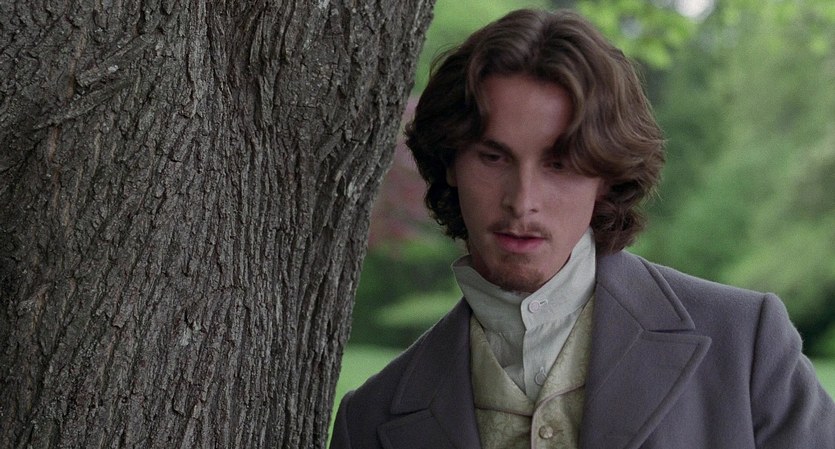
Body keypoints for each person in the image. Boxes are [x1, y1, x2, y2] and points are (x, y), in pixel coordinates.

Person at [330, 9, 835, 449]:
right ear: (450, 164)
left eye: (561, 163)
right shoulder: (369, 420)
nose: (522, 201)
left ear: (607, 176)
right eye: (492, 157)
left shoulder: (745, 344)